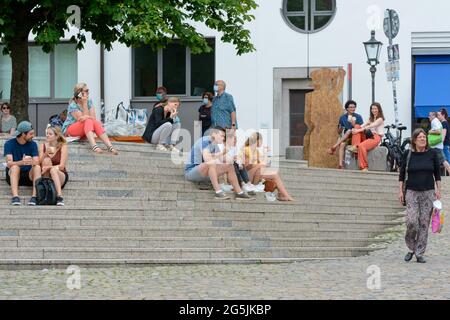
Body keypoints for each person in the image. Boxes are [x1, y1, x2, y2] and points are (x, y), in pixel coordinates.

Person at [399, 128, 441, 263]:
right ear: (414, 140)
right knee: (411, 222)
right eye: (420, 137)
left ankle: (419, 252)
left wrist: (438, 190)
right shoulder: (408, 154)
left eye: (424, 137)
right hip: (411, 191)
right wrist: (400, 191)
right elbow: (401, 174)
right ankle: (411, 247)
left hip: (428, 192)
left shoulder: (432, 154)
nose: (423, 139)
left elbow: (437, 174)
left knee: (424, 223)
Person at [184, 126, 253, 200]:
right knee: (211, 163)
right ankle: (218, 192)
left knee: (229, 166)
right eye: (222, 136)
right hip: (191, 172)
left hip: (206, 173)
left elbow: (223, 160)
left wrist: (234, 159)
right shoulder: (205, 140)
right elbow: (207, 159)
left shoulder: (215, 145)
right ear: (214, 134)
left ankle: (239, 193)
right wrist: (222, 153)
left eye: (224, 136)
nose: (223, 138)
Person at [62, 83, 118, 155]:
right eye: (86, 90)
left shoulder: (89, 101)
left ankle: (110, 146)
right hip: (69, 130)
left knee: (96, 122)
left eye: (88, 90)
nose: (88, 92)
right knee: (88, 120)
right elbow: (82, 119)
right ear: (80, 93)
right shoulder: (73, 105)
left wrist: (86, 114)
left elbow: (93, 118)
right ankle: (94, 146)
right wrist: (84, 104)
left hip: (83, 128)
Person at [242, 132, 294, 201]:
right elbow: (244, 166)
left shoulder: (256, 151)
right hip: (247, 176)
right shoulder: (246, 149)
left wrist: (265, 152)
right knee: (264, 168)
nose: (262, 143)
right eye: (261, 141)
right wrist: (257, 164)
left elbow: (263, 163)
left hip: (255, 175)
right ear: (257, 140)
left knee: (274, 174)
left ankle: (282, 194)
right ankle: (284, 195)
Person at [3, 121, 41, 205]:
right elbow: (9, 163)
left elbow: (37, 161)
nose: (33, 136)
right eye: (31, 134)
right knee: (15, 167)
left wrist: (30, 161)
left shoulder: (33, 144)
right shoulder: (9, 144)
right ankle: (15, 197)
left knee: (37, 167)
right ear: (23, 134)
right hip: (14, 175)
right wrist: (22, 162)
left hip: (28, 175)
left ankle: (34, 197)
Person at [348, 102, 385, 172]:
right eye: (372, 109)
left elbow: (371, 126)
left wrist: (358, 131)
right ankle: (355, 146)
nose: (374, 110)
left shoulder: (380, 119)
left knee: (362, 146)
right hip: (368, 135)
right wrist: (355, 129)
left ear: (379, 109)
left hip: (376, 137)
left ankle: (364, 167)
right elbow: (362, 126)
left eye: (375, 109)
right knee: (357, 126)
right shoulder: (370, 118)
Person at [327, 100, 364, 169]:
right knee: (342, 144)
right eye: (351, 107)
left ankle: (333, 147)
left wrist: (353, 124)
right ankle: (340, 165)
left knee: (350, 130)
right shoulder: (342, 117)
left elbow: (358, 128)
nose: (353, 109)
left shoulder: (358, 117)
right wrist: (340, 128)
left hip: (356, 137)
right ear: (347, 108)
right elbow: (339, 132)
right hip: (347, 137)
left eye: (354, 107)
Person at [39, 126, 68, 206]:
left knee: (53, 170)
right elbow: (39, 162)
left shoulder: (63, 146)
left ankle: (59, 196)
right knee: (46, 160)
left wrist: (49, 167)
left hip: (60, 174)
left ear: (57, 136)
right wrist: (45, 154)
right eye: (47, 133)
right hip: (46, 174)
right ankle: (46, 191)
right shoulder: (43, 145)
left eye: (50, 134)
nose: (47, 135)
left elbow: (62, 166)